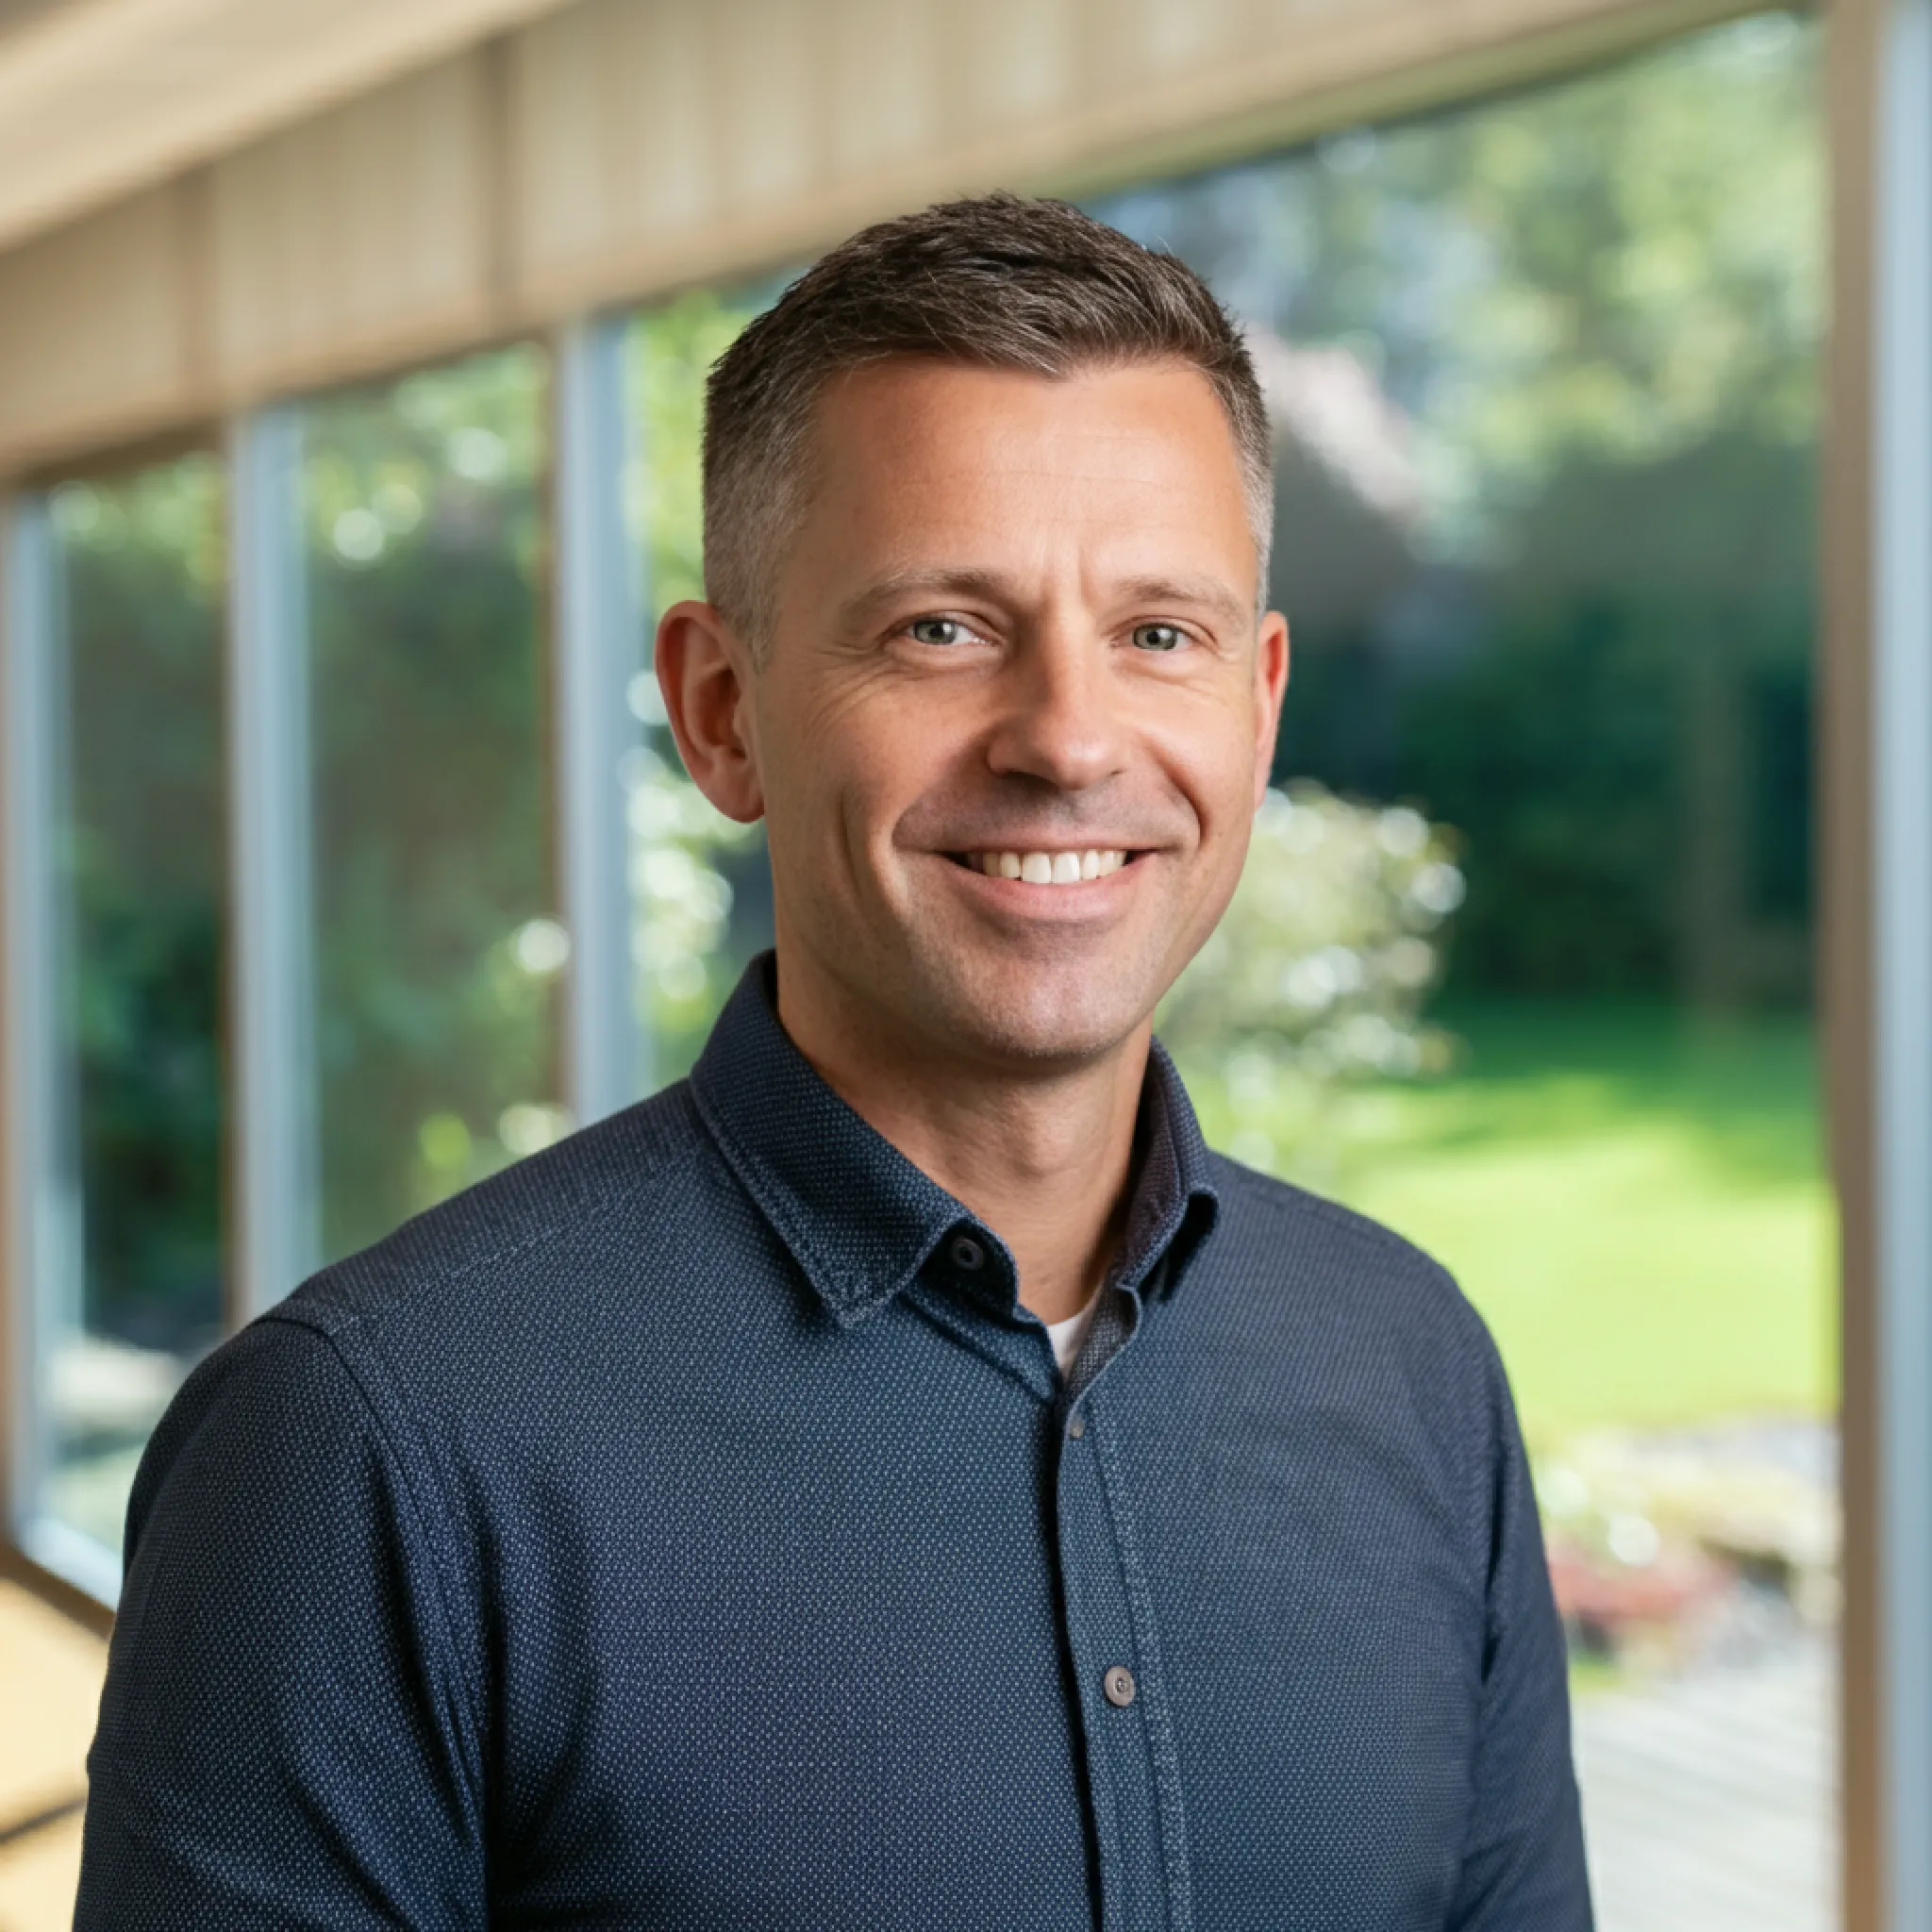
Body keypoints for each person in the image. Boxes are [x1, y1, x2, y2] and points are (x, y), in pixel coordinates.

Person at [75, 193, 1591, 1930]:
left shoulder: (1415, 1367)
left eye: (1157, 634)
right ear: (723, 709)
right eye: (942, 628)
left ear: (1257, 703)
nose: (1070, 739)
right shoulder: (360, 1453)